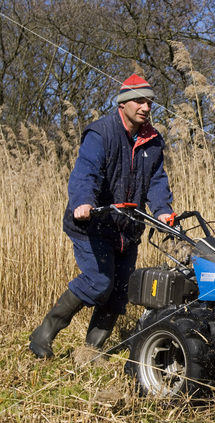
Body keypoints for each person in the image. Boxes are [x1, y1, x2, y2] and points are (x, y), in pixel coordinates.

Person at [29, 74, 174, 358]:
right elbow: (86, 172)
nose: (145, 107)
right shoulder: (101, 133)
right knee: (98, 282)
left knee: (119, 292)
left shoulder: (153, 142)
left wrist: (163, 209)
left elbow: (157, 181)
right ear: (123, 104)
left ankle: (89, 351)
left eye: (149, 102)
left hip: (127, 229)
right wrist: (83, 202)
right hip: (93, 224)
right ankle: (41, 336)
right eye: (139, 101)